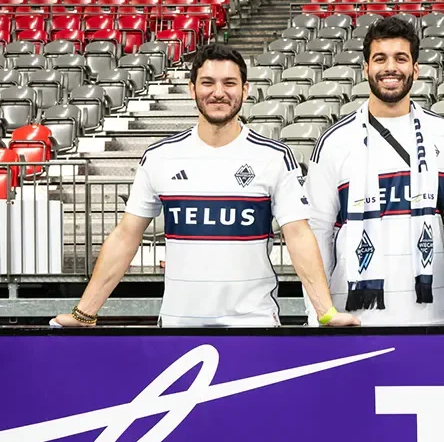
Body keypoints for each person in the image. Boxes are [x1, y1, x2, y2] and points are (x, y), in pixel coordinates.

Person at [52, 44, 358, 328]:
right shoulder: (160, 157)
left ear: (245, 89)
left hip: (253, 327)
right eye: (208, 82)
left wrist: (325, 313)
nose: (218, 92)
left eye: (229, 83)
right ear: (192, 88)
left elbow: (299, 236)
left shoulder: (274, 157)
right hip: (178, 328)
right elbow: (125, 237)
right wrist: (85, 313)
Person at [303, 16, 444, 325]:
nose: (390, 67)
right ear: (366, 68)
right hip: (353, 318)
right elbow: (316, 235)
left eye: (401, 58)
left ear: (415, 69)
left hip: (433, 315)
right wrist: (321, 313)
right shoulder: (334, 141)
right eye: (380, 59)